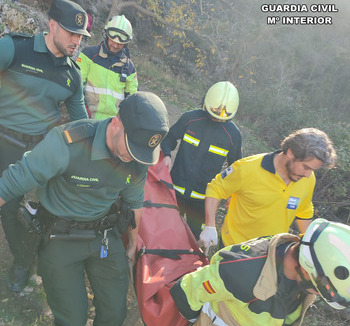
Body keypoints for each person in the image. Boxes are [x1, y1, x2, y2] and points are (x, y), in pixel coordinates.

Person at [0, 91, 169, 326]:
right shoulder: (68, 142)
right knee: (72, 319)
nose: (134, 157)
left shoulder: (139, 158)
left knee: (114, 315)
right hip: (59, 235)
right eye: (132, 147)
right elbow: (15, 180)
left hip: (103, 235)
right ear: (116, 123)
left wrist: (131, 246)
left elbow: (133, 202)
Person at [0, 0, 90, 292]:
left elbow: (81, 125)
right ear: (52, 26)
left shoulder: (72, 75)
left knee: (10, 210)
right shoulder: (14, 48)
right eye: (71, 33)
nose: (77, 41)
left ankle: (23, 261)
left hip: (27, 154)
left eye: (81, 36)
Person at [171, 218, 350, 325]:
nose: (317, 294)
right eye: (320, 290)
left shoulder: (303, 277)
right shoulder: (240, 271)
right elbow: (184, 293)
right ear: (306, 267)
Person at [199, 128, 337, 250]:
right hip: (234, 248)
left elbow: (304, 210)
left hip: (271, 252)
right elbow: (215, 188)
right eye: (306, 167)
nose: (308, 175)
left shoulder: (307, 178)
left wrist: (309, 245)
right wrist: (210, 226)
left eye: (312, 170)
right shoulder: (247, 168)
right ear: (290, 153)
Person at [161, 81, 242, 239]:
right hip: (174, 191)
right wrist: (166, 155)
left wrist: (232, 193)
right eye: (214, 115)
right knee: (164, 233)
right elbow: (168, 138)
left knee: (194, 241)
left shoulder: (233, 135)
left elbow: (237, 167)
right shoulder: (190, 119)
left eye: (222, 118)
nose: (217, 119)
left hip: (203, 201)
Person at [76, 14, 138, 119]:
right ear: (106, 35)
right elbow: (76, 84)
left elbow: (132, 99)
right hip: (87, 118)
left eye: (120, 43)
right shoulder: (89, 55)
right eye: (113, 40)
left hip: (112, 124)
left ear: (126, 43)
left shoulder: (129, 68)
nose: (115, 45)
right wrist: (82, 109)